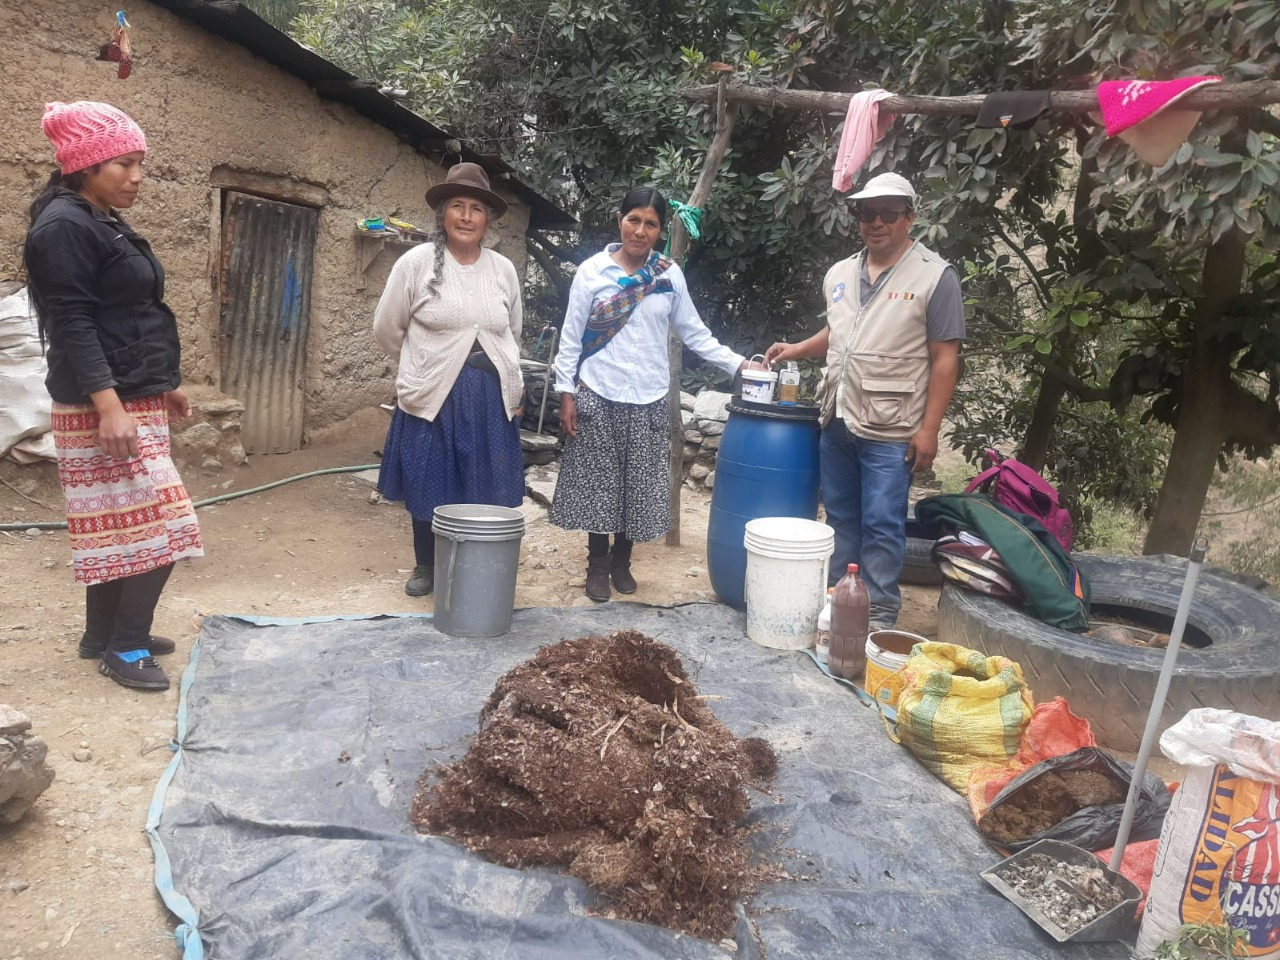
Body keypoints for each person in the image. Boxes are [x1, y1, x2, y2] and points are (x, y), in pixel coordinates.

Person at [23, 101, 204, 692]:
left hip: (129, 395)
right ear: (87, 164)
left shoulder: (99, 217)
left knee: (114, 524)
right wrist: (110, 407)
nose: (137, 176)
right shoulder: (65, 228)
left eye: (140, 164)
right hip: (100, 405)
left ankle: (102, 633)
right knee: (165, 525)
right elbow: (73, 323)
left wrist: (163, 385)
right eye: (124, 163)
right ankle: (125, 649)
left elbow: (130, 313)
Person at [765, 172, 963, 629]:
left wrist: (929, 428)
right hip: (837, 418)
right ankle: (839, 601)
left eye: (888, 213)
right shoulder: (839, 273)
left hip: (891, 428)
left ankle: (877, 614)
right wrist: (796, 349)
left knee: (881, 522)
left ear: (909, 218)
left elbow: (945, 358)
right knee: (839, 517)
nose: (875, 222)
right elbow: (842, 333)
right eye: (865, 212)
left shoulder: (935, 277)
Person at [551, 186, 757, 602]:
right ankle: (597, 564)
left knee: (638, 485)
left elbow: (694, 333)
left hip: (648, 395)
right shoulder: (592, 273)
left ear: (661, 231)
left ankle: (623, 561)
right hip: (598, 390)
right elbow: (571, 338)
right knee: (599, 484)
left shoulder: (668, 275)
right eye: (633, 220)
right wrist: (565, 392)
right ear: (619, 219)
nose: (640, 231)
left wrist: (739, 364)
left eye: (650, 224)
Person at [373, 162, 525, 597]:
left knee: (484, 485)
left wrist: (512, 383)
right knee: (429, 480)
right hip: (433, 393)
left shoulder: (503, 269)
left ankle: (478, 563)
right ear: (442, 214)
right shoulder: (415, 263)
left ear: (487, 220)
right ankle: (427, 565)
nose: (466, 216)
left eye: (476, 208)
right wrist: (423, 365)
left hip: (489, 397)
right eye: (456, 205)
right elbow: (387, 328)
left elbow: (511, 332)